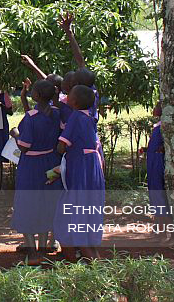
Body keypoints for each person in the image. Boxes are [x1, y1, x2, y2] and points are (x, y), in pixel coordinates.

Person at [52, 85, 105, 261]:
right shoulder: (90, 116)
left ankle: (81, 262)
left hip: (79, 168)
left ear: (74, 101)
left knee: (72, 215)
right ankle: (90, 257)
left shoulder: (75, 117)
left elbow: (62, 146)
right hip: (92, 168)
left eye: (70, 94)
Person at [12, 79, 62, 261]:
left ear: (37, 96)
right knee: (45, 202)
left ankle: (32, 251)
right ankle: (43, 246)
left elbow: (24, 147)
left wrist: (15, 134)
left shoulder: (31, 117)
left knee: (27, 202)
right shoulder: (57, 113)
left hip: (31, 166)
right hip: (50, 163)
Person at [143, 101, 170, 239]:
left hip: (159, 164)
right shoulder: (157, 127)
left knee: (160, 195)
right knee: (155, 194)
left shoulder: (165, 127)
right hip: (153, 162)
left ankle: (163, 230)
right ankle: (158, 227)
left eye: (158, 106)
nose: (155, 108)